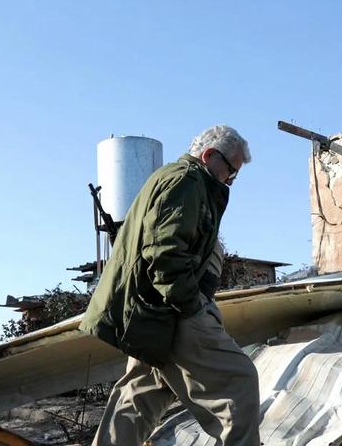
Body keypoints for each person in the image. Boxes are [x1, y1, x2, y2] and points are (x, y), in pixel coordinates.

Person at [80, 125, 261, 445]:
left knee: (139, 397)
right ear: (209, 155)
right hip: (171, 310)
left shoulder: (171, 178)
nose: (231, 180)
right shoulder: (187, 180)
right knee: (239, 383)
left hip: (149, 313)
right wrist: (193, 306)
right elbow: (164, 253)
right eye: (231, 171)